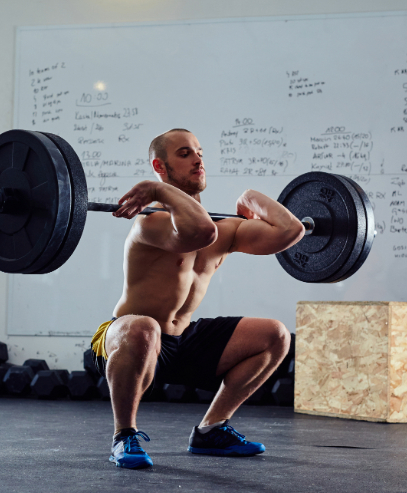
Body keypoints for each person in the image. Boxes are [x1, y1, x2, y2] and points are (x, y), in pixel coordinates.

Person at [90, 128, 305, 469]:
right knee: (144, 328)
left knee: (275, 336)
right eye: (185, 153)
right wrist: (160, 192)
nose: (198, 158)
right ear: (159, 166)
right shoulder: (152, 222)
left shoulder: (226, 229)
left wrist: (251, 198)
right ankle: (124, 435)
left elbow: (290, 231)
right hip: (131, 339)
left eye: (199, 152)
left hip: (181, 340)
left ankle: (211, 429)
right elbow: (198, 232)